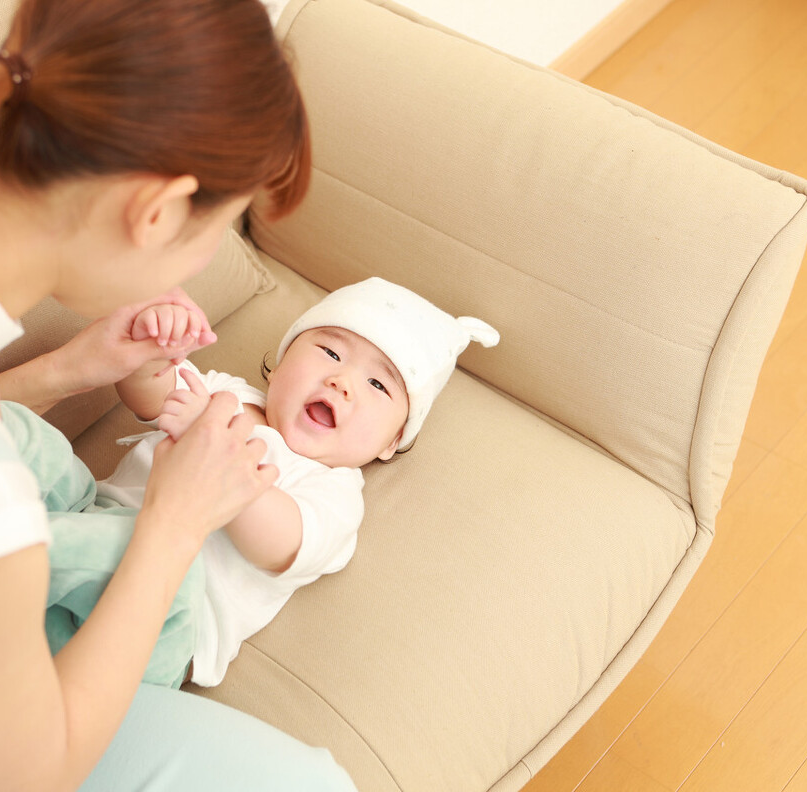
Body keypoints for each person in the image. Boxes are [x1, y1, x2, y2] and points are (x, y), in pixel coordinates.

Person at [0, 0, 361, 788]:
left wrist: (66, 371)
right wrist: (174, 524)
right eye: (215, 231)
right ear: (156, 213)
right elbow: (26, 777)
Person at [30, 277, 499, 688]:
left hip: (173, 614)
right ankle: (5, 515)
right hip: (89, 512)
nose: (342, 381)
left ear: (392, 441)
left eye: (379, 385)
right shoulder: (226, 394)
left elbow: (279, 545)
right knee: (36, 442)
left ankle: (7, 549)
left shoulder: (334, 491)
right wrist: (153, 345)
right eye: (331, 352)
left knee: (95, 553)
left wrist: (212, 444)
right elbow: (148, 393)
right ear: (280, 362)